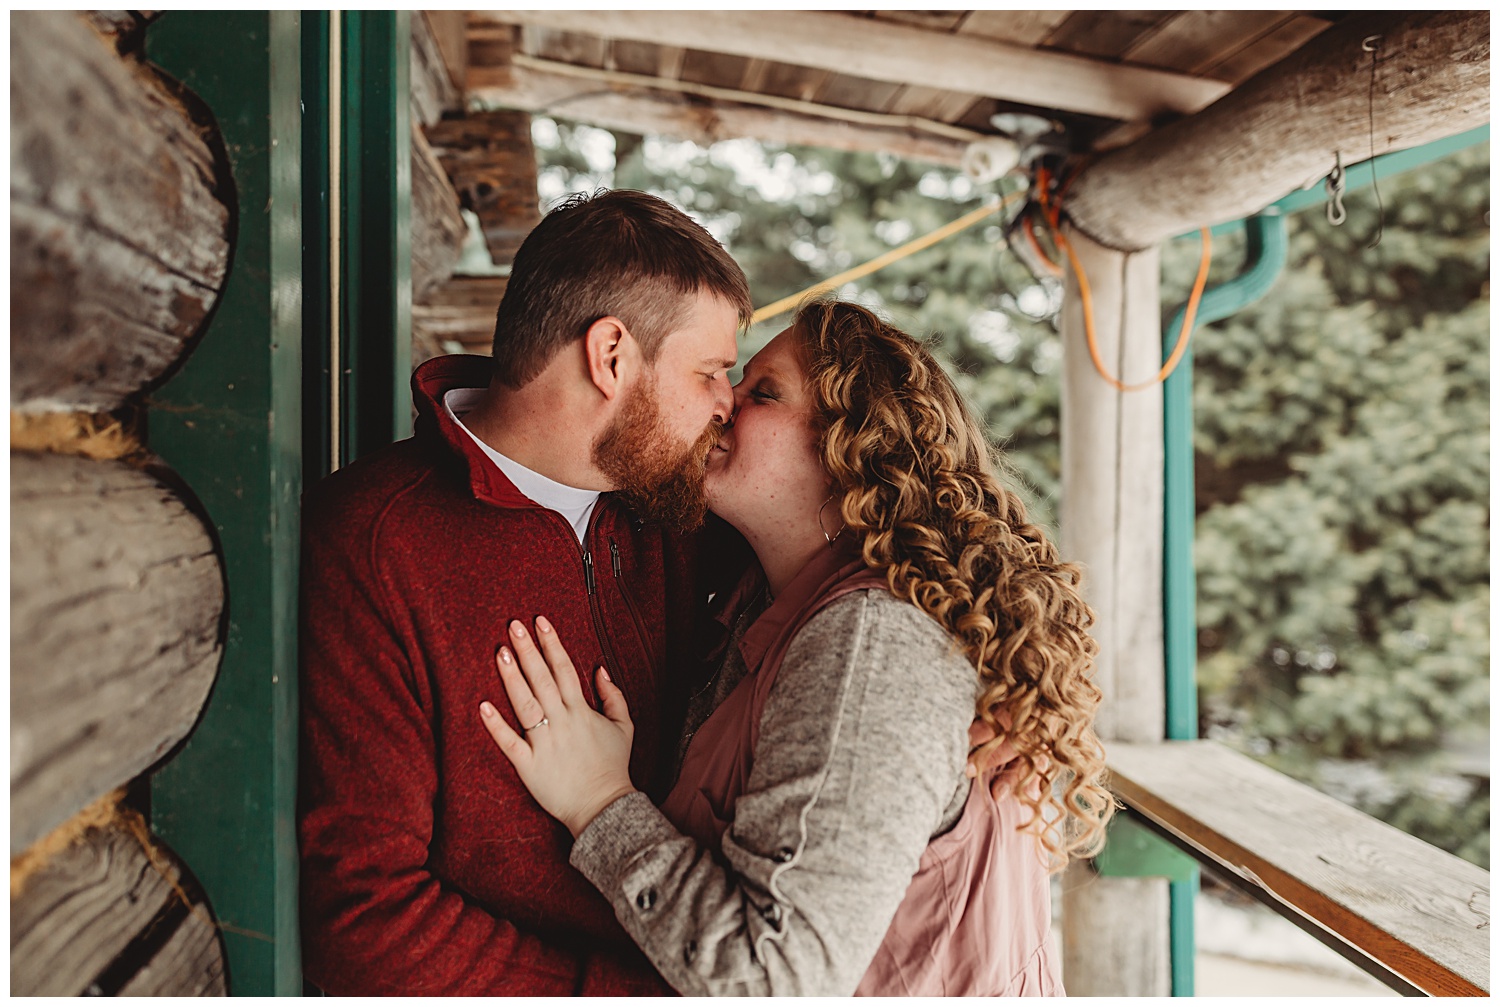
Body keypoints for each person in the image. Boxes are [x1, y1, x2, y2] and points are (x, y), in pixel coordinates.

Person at [480, 298, 1116, 996]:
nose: (723, 403)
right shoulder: (770, 603)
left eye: (764, 392)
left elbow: (779, 976)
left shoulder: (873, 645)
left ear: (854, 452)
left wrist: (600, 803)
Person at [297, 189, 755, 995]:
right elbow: (367, 918)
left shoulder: (681, 517)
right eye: (711, 370)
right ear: (611, 356)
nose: (728, 402)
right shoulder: (376, 539)